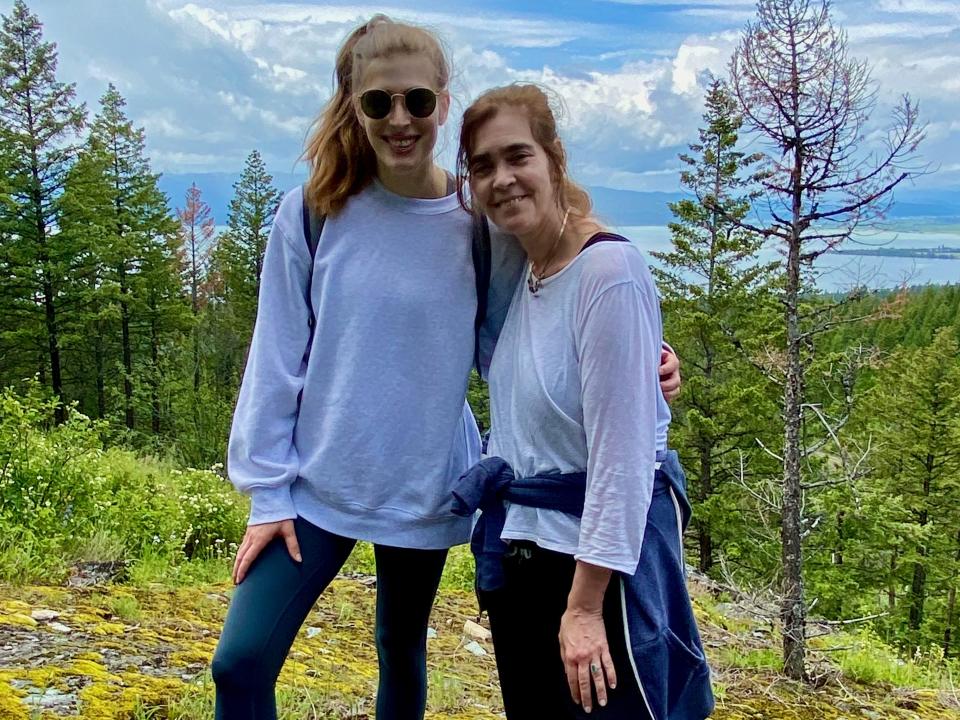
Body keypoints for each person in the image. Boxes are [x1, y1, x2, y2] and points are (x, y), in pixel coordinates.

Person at [211, 16, 682, 720]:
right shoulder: (312, 214)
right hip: (316, 480)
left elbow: (539, 312)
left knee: (401, 649)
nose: (399, 120)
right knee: (240, 663)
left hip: (428, 481)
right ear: (353, 105)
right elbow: (275, 358)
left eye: (417, 101)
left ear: (441, 100)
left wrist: (649, 358)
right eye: (378, 102)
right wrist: (267, 492)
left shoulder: (475, 223)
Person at [453, 84, 714, 720]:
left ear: (554, 159)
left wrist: (584, 608)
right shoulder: (521, 265)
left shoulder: (608, 272)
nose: (502, 179)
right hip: (522, 552)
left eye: (518, 156)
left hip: (590, 568)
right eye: (482, 166)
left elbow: (624, 464)